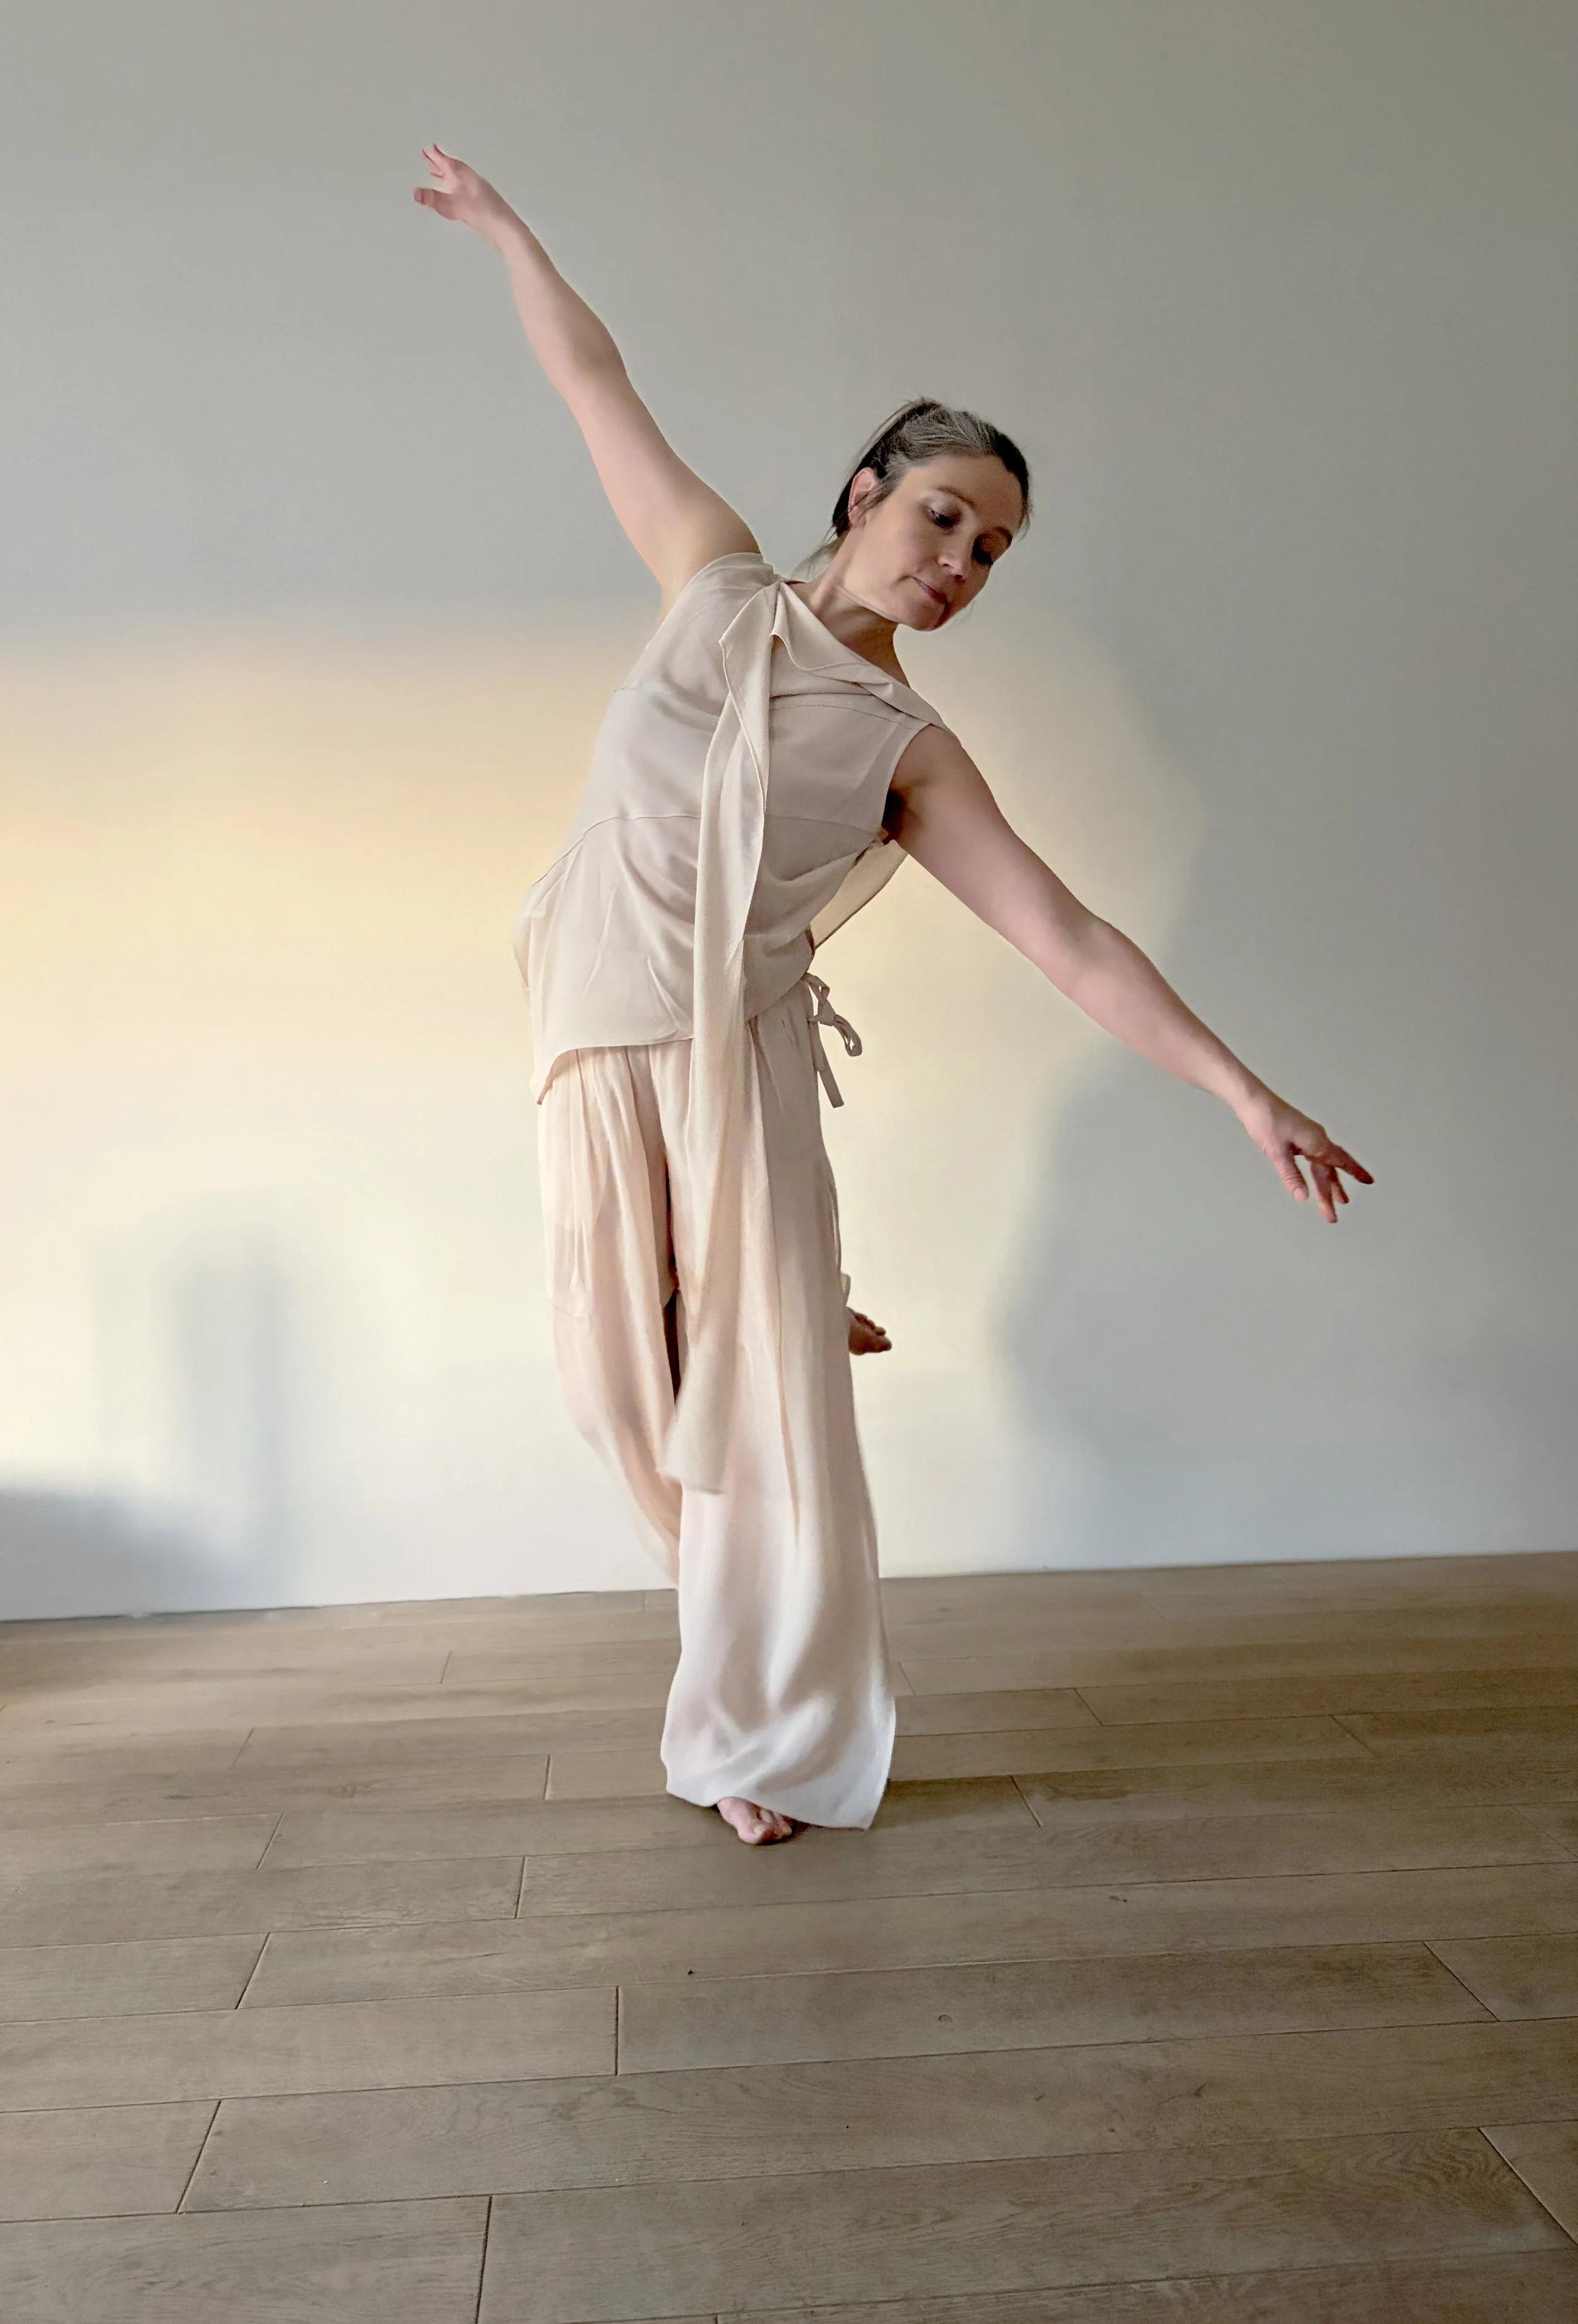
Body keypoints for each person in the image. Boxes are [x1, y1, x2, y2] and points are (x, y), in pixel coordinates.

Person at [415, 144, 1373, 1846]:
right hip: (591, 1048)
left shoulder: (907, 750)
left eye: (992, 551)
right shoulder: (709, 584)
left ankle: (752, 1738)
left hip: (741, 1071)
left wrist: (1246, 1093)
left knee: (754, 1420)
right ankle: (767, 1310)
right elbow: (593, 377)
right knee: (612, 1388)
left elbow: (1068, 938)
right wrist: (510, 236)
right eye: (944, 515)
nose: (960, 561)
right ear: (865, 490)